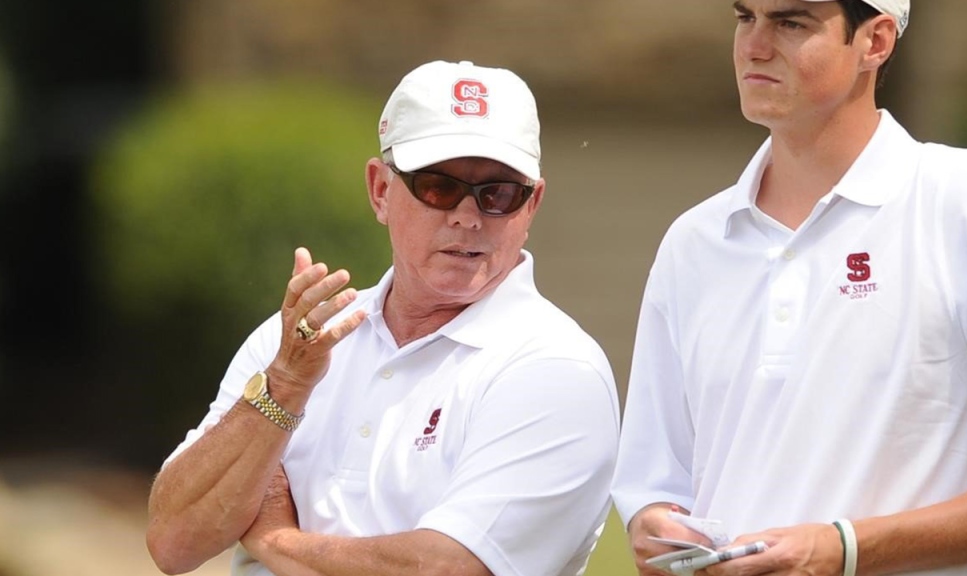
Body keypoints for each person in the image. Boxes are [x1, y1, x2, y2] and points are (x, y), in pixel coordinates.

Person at [146, 60, 620, 576]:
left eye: (499, 194)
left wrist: (277, 540)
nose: (468, 215)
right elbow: (174, 542)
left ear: (531, 206)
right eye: (439, 186)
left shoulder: (555, 366)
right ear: (380, 191)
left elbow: (450, 570)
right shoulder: (299, 344)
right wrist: (283, 386)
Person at [611, 1, 967, 575]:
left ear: (875, 42)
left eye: (791, 23)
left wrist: (846, 549)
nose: (753, 46)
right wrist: (655, 525)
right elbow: (656, 485)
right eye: (744, 17)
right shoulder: (694, 241)